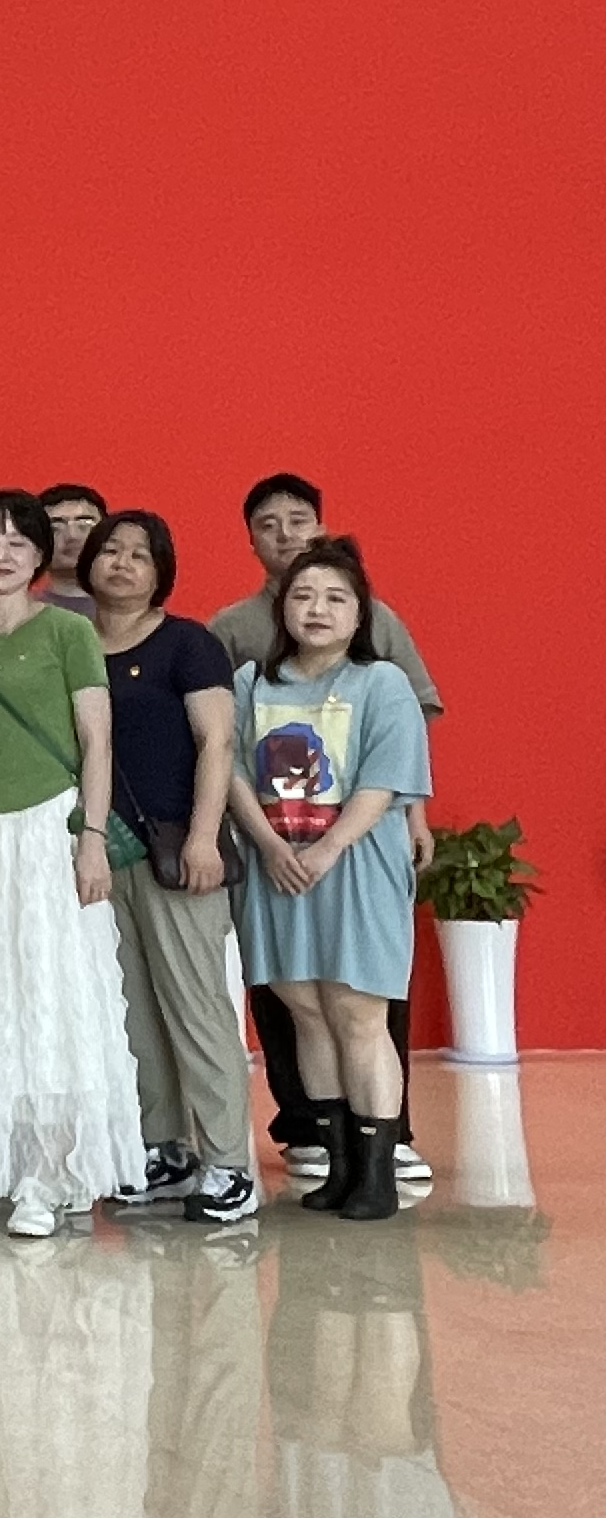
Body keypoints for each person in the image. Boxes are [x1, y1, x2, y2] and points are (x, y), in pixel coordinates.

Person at [209, 472, 442, 1185]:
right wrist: (270, 844)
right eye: (303, 597)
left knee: (358, 1010)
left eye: (335, 598)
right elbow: (228, 764)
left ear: (360, 610)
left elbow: (388, 772)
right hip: (276, 864)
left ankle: (377, 1165)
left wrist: (335, 844)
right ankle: (335, 1158)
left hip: (354, 864)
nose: (317, 609)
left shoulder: (381, 681)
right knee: (305, 1008)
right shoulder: (250, 677)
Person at [0, 488, 144, 1237]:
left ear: (39, 556)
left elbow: (97, 742)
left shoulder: (67, 630)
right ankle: (20, 1162)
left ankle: (55, 1170)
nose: (2, 553)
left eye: (17, 541)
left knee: (55, 996)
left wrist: (90, 837)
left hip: (51, 833)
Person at [81, 510, 259, 1224]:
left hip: (178, 851)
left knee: (197, 1006)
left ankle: (228, 1162)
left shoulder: (187, 643)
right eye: (111, 550)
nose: (122, 563)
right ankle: (164, 1149)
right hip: (103, 855)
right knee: (133, 1011)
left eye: (140, 554)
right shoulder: (72, 643)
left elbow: (218, 743)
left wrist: (206, 838)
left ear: (161, 572)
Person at [36, 485, 107, 619]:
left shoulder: (135, 610)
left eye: (85, 524)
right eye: (56, 527)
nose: (72, 536)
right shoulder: (22, 616)